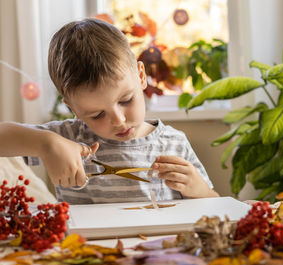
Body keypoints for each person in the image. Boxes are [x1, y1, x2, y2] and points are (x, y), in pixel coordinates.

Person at [0, 18, 219, 204]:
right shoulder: (68, 138)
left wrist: (200, 192)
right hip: (85, 251)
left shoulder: (174, 143)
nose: (119, 120)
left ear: (141, 76)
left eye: (126, 100)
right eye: (97, 115)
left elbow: (214, 206)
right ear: (72, 108)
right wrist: (47, 144)